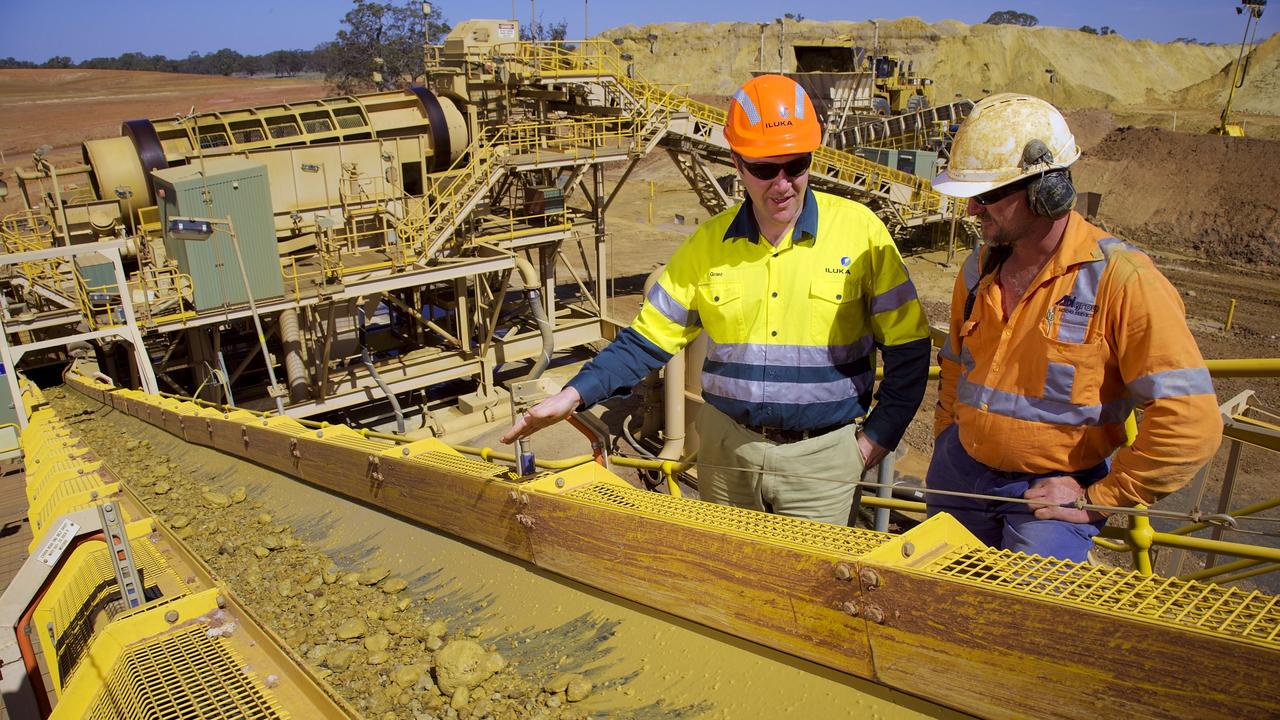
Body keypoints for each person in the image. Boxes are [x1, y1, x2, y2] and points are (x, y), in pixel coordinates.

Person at [501, 74, 931, 525]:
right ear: (737, 163)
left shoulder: (861, 234)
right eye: (765, 168)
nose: (783, 184)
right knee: (727, 578)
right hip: (727, 455)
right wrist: (573, 394)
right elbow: (647, 339)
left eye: (796, 164)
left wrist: (872, 441)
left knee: (806, 590)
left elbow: (910, 348)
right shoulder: (708, 245)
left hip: (821, 463)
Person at [927, 93, 1222, 561]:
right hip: (958, 477)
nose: (972, 212)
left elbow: (1191, 421)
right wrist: (947, 441)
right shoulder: (977, 269)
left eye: (986, 197)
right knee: (937, 606)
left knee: (1032, 624)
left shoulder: (1123, 281)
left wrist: (1098, 497)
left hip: (1050, 502)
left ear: (1047, 191)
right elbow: (955, 366)